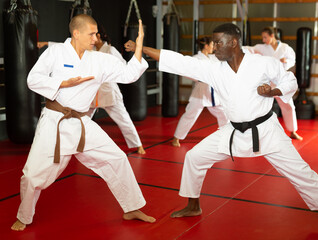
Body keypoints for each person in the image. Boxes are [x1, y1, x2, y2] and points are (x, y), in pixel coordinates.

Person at [124, 23, 318, 234]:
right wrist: (142, 48)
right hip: (232, 132)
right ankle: (193, 205)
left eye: (218, 43)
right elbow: (180, 62)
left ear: (233, 42)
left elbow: (290, 81)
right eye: (213, 44)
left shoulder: (262, 63)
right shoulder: (215, 68)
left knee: (300, 172)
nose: (214, 48)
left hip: (266, 130)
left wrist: (273, 92)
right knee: (194, 157)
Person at [11, 14, 155, 232]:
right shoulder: (56, 52)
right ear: (76, 33)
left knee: (117, 158)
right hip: (54, 122)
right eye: (91, 33)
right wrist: (62, 82)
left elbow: (129, 75)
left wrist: (140, 46)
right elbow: (33, 79)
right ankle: (24, 215)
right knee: (32, 176)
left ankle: (132, 207)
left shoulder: (100, 59)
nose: (95, 38)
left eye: (96, 33)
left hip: (81, 122)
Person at [38, 26, 146, 155]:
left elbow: (124, 67)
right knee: (80, 121)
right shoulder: (90, 50)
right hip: (90, 93)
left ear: (99, 36)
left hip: (109, 92)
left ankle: (137, 144)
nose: (91, 39)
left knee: (124, 119)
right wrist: (46, 43)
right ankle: (73, 145)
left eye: (93, 35)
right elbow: (67, 48)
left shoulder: (110, 50)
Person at [244, 26, 303, 141]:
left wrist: (286, 62)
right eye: (262, 38)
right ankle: (252, 132)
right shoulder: (261, 48)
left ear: (272, 36)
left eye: (265, 37)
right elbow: (248, 49)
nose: (263, 40)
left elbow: (292, 60)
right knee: (257, 107)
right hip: (266, 83)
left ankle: (292, 131)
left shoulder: (285, 48)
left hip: (280, 82)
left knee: (289, 106)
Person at [172, 36, 228, 147]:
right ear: (206, 46)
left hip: (214, 93)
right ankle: (176, 138)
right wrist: (198, 78)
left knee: (224, 114)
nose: (213, 47)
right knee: (190, 115)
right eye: (212, 45)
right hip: (200, 93)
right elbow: (186, 71)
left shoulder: (213, 58)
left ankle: (225, 137)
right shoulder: (196, 58)